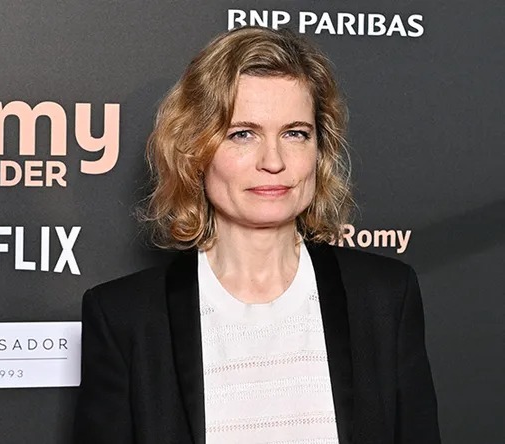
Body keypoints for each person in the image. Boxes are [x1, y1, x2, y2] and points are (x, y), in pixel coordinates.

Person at [73, 26, 440, 444]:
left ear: (320, 151)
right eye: (242, 134)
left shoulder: (384, 298)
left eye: (295, 133)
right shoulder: (125, 318)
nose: (273, 161)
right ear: (195, 150)